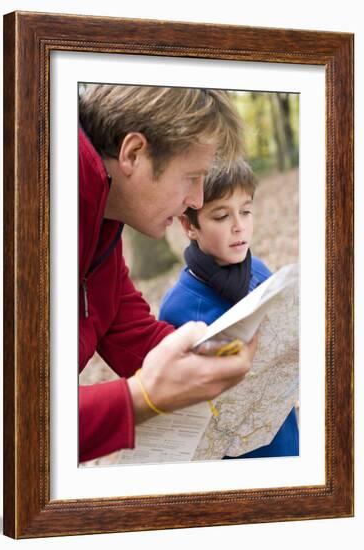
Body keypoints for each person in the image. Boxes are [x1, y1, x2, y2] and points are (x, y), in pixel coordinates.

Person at [78, 84, 257, 462]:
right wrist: (141, 398)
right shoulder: (29, 206)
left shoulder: (102, 226)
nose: (196, 200)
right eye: (192, 177)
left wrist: (220, 355)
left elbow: (133, 335)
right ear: (134, 154)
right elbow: (1, 418)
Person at [159, 159, 299, 458]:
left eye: (246, 211)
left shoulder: (260, 272)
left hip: (283, 439)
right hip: (227, 459)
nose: (239, 226)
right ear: (189, 226)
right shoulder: (178, 308)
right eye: (221, 216)